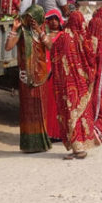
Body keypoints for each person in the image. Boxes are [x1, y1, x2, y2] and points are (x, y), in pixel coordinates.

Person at [51, 11, 100, 159]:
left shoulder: (62, 38)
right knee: (81, 113)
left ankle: (77, 147)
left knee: (71, 113)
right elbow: (91, 56)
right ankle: (81, 146)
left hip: (66, 84)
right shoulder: (83, 38)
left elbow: (54, 54)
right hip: (81, 82)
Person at [5, 5, 52, 153]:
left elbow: (50, 46)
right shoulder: (22, 31)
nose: (31, 21)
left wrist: (39, 31)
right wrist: (14, 29)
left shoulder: (44, 30)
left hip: (41, 76)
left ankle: (42, 142)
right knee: (27, 109)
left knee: (40, 109)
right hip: (26, 77)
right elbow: (8, 47)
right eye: (29, 18)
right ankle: (29, 144)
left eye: (34, 18)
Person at [44, 8, 64, 142]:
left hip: (55, 72)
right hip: (43, 73)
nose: (53, 22)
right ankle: (45, 133)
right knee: (45, 104)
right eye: (50, 20)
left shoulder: (63, 36)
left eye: (56, 19)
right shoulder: (43, 35)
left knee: (55, 104)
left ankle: (56, 133)